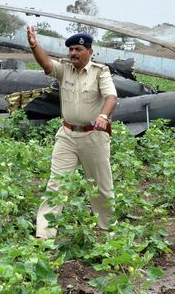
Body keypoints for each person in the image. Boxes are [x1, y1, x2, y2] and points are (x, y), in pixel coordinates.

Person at [27, 26, 119, 239]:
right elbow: (46, 64)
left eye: (78, 49)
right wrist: (34, 45)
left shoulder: (100, 72)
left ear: (89, 51)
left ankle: (107, 234)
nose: (73, 53)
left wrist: (103, 117)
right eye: (71, 50)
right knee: (56, 186)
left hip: (93, 137)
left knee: (100, 188)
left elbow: (111, 97)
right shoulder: (65, 70)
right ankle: (44, 237)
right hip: (67, 135)